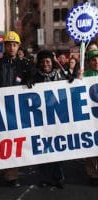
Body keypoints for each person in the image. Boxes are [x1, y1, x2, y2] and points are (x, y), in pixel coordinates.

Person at [0, 31, 29, 188]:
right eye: (9, 44)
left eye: (14, 44)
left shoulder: (24, 65)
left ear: (18, 46)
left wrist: (30, 79)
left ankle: (12, 175)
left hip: (16, 109)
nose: (12, 47)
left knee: (13, 142)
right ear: (4, 46)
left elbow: (31, 77)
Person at [26, 50, 68, 188]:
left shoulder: (60, 75)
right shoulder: (34, 76)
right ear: (39, 63)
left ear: (52, 63)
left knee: (58, 148)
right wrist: (28, 83)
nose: (45, 64)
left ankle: (58, 177)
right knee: (43, 149)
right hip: (41, 119)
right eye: (43, 61)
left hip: (57, 118)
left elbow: (70, 85)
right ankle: (45, 178)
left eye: (48, 61)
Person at [79, 50, 98, 185]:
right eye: (93, 60)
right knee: (90, 146)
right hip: (89, 118)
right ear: (89, 62)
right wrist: (77, 79)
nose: (96, 62)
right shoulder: (84, 76)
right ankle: (92, 174)